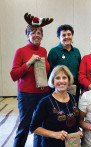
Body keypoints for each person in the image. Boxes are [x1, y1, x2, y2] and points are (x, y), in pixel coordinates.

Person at [10, 13, 52, 147]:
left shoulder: (44, 51)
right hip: (26, 94)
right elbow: (14, 75)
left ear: (42, 36)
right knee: (25, 125)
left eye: (39, 32)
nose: (36, 35)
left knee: (40, 125)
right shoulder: (21, 51)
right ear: (28, 35)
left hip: (43, 93)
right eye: (33, 32)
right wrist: (28, 63)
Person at [30, 65, 82, 147]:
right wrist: (55, 134)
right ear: (53, 81)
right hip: (52, 144)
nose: (61, 81)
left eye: (64, 78)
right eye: (57, 78)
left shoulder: (74, 99)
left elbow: (74, 122)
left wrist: (78, 131)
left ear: (68, 80)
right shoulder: (45, 102)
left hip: (71, 144)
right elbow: (33, 127)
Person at [47, 24, 81, 102]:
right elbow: (50, 72)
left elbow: (79, 70)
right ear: (59, 37)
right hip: (59, 85)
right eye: (63, 35)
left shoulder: (76, 51)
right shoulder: (54, 51)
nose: (66, 37)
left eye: (69, 34)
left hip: (74, 86)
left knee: (73, 107)